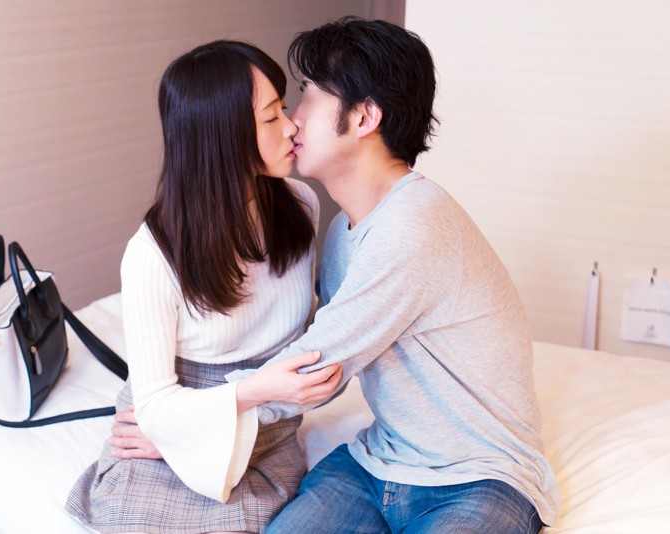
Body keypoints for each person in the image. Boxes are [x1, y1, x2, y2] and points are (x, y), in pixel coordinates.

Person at [114, 16, 561, 534]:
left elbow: (313, 365)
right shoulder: (339, 232)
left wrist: (182, 429)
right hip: (377, 464)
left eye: (306, 98)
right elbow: (322, 375)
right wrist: (180, 423)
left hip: (480, 477)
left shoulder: (414, 225)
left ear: (364, 116)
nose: (293, 123)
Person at [65, 40, 342, 534]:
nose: (291, 126)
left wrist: (259, 403)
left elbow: (308, 355)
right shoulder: (153, 255)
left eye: (283, 108)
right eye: (271, 116)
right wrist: (188, 433)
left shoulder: (300, 205)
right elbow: (157, 407)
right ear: (221, 137)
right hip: (178, 416)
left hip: (267, 426)